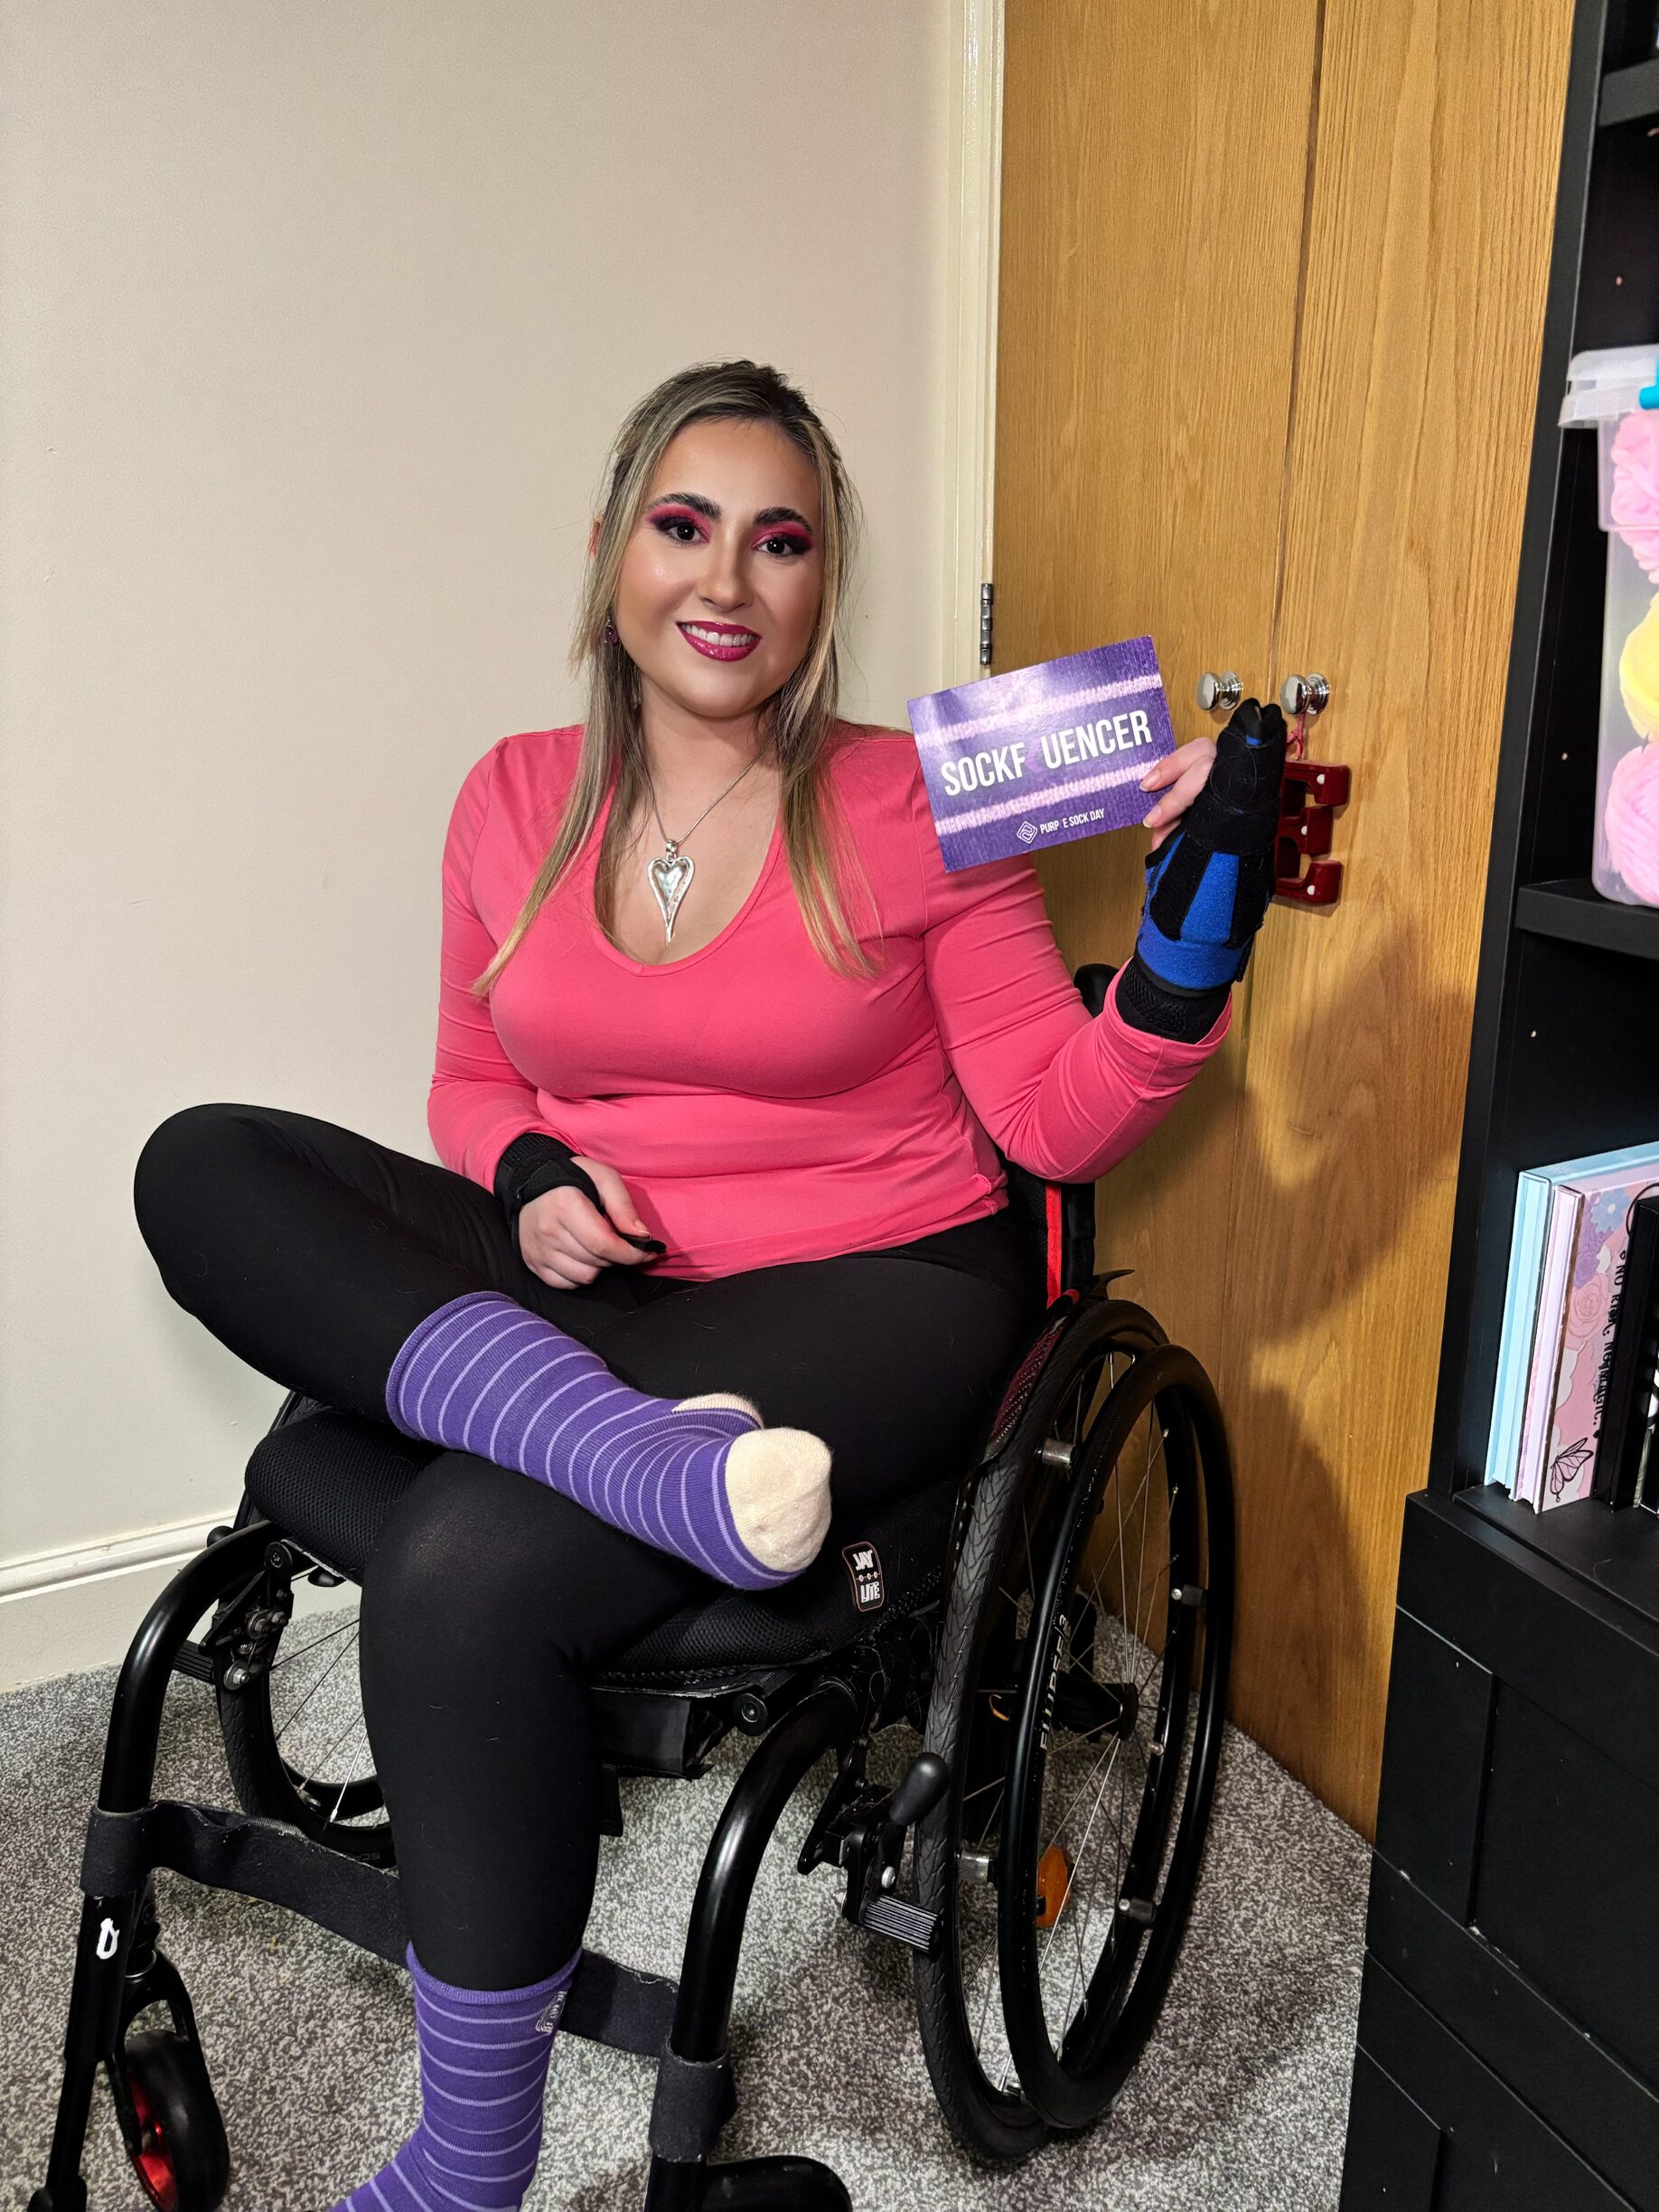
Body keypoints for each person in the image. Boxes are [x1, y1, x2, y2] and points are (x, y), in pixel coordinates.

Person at [132, 358, 1286, 2211]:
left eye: (782, 541)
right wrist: (524, 1186)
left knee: (466, 1562)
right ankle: (639, 1459)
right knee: (199, 1161)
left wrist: (1184, 940)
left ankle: (463, 2166)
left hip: (876, 1284)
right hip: (617, 1310)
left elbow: (1058, 1123)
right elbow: (471, 1077)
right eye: (684, 527)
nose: (727, 579)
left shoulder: (926, 799)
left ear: (827, 589)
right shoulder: (513, 800)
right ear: (610, 559)